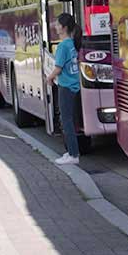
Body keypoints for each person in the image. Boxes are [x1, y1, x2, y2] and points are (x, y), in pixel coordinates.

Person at [46, 12, 82, 165]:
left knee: (66, 120)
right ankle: (71, 152)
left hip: (66, 86)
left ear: (64, 27)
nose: (55, 26)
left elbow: (59, 67)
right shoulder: (72, 43)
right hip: (74, 85)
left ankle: (73, 155)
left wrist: (49, 77)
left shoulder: (62, 46)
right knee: (69, 119)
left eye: (58, 24)